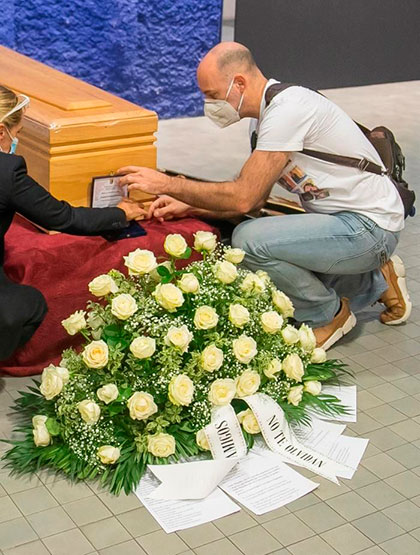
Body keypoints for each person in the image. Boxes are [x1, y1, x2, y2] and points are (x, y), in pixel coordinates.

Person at [118, 42, 411, 350]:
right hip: (342, 224)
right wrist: (191, 204)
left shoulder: (288, 109)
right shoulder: (263, 120)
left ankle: (328, 316)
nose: (208, 105)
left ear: (239, 83)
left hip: (369, 227)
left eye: (213, 95)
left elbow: (243, 198)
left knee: (250, 242)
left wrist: (168, 184)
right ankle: (376, 281)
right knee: (271, 250)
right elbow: (256, 200)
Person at [0, 85, 147, 361]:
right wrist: (121, 213)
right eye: (16, 135)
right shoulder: (7, 171)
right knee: (30, 304)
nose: (15, 142)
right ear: (0, 132)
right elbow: (63, 218)